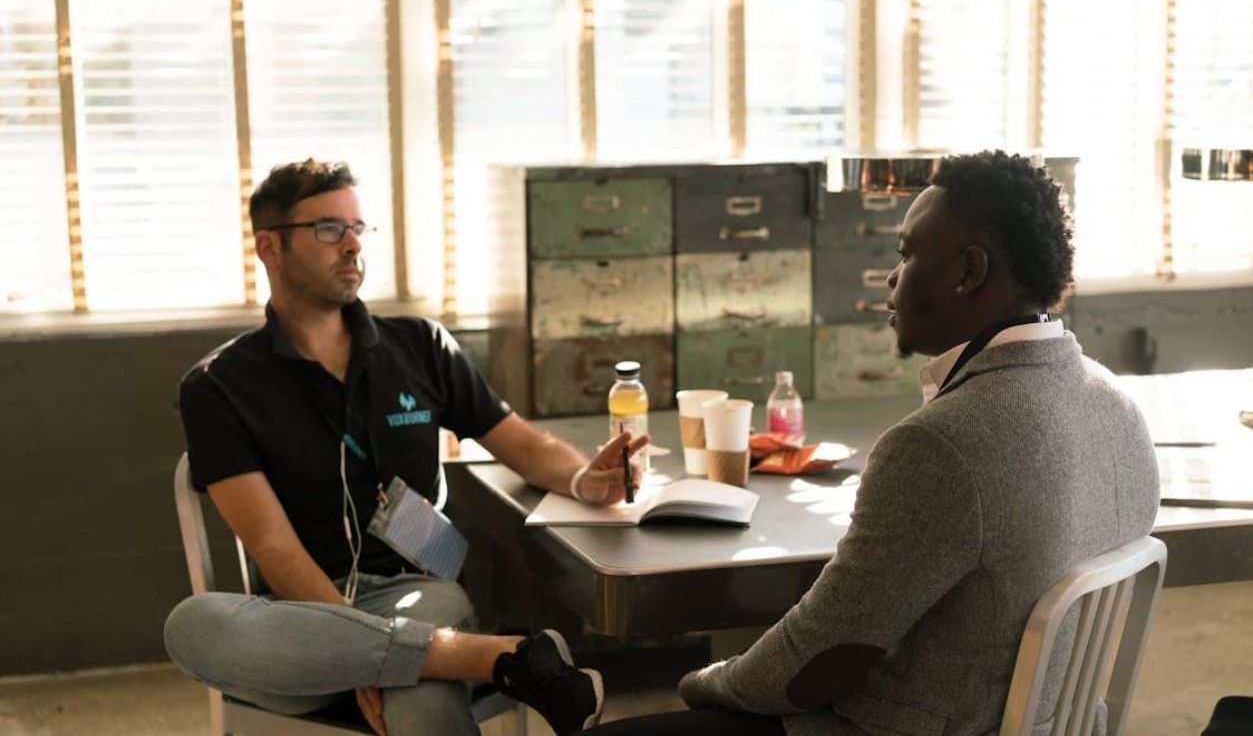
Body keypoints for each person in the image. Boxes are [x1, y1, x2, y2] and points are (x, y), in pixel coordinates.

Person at [578, 151, 1160, 736]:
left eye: (906, 254)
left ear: (968, 272)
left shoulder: (939, 445)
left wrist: (703, 684)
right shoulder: (1117, 405)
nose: (891, 277)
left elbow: (817, 662)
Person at [163, 158, 648, 736]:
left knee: (420, 701)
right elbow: (273, 548)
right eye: (327, 229)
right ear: (270, 248)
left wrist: (583, 479)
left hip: (420, 595)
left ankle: (442, 659)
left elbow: (523, 443)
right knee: (193, 626)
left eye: (357, 228)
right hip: (298, 624)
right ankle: (506, 657)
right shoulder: (218, 387)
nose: (351, 245)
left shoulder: (419, 345)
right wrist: (359, 653)